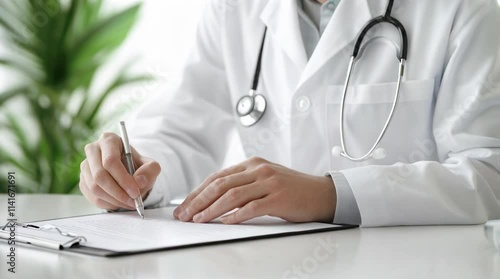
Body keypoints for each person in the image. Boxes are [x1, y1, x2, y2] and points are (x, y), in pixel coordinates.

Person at [79, 0, 500, 227]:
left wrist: (329, 194)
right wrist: (132, 171)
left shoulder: (464, 9)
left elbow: (488, 174)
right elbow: (184, 128)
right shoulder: (235, 9)